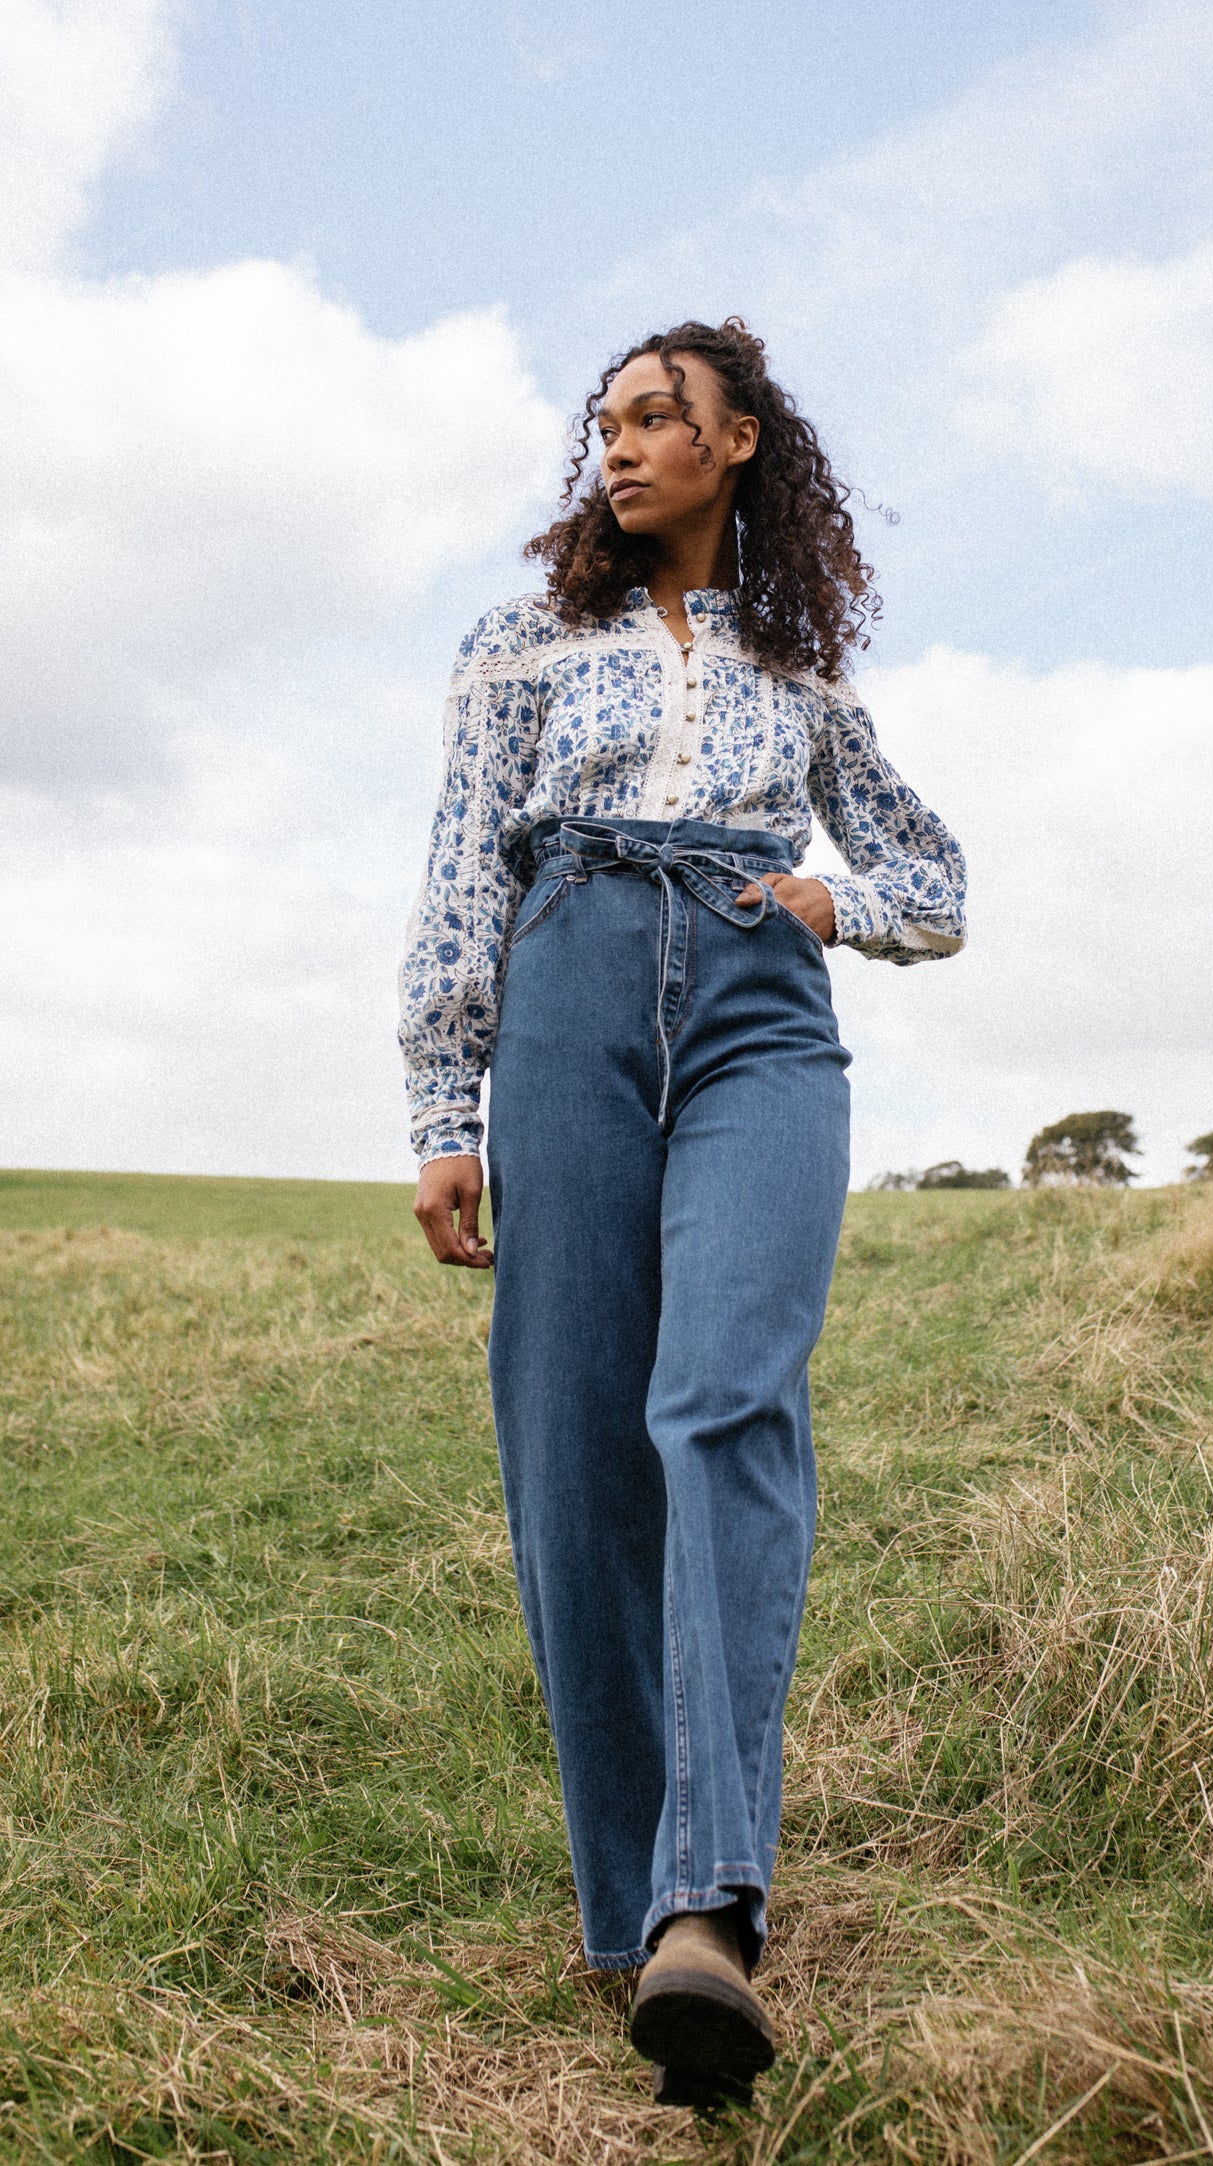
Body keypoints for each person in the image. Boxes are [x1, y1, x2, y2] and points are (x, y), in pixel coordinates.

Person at [399, 318, 965, 2108]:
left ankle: (709, 1907)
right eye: (608, 423)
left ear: (735, 448)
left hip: (753, 1007)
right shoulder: (519, 642)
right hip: (564, 988)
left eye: (660, 419)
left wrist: (827, 903)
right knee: (577, 1447)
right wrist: (442, 1102)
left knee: (718, 1401)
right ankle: (629, 1903)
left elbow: (936, 884)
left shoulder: (796, 670)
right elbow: (455, 869)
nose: (622, 447)